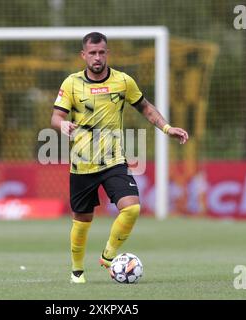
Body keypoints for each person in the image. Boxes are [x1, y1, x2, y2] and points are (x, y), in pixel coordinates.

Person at [50, 32, 189, 284]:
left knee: (132, 207)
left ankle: (108, 256)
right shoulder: (71, 83)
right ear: (83, 55)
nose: (97, 57)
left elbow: (145, 107)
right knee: (82, 221)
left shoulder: (123, 81)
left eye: (102, 52)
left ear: (107, 53)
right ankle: (77, 271)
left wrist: (167, 128)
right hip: (81, 165)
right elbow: (56, 117)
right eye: (92, 53)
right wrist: (62, 126)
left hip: (113, 160)